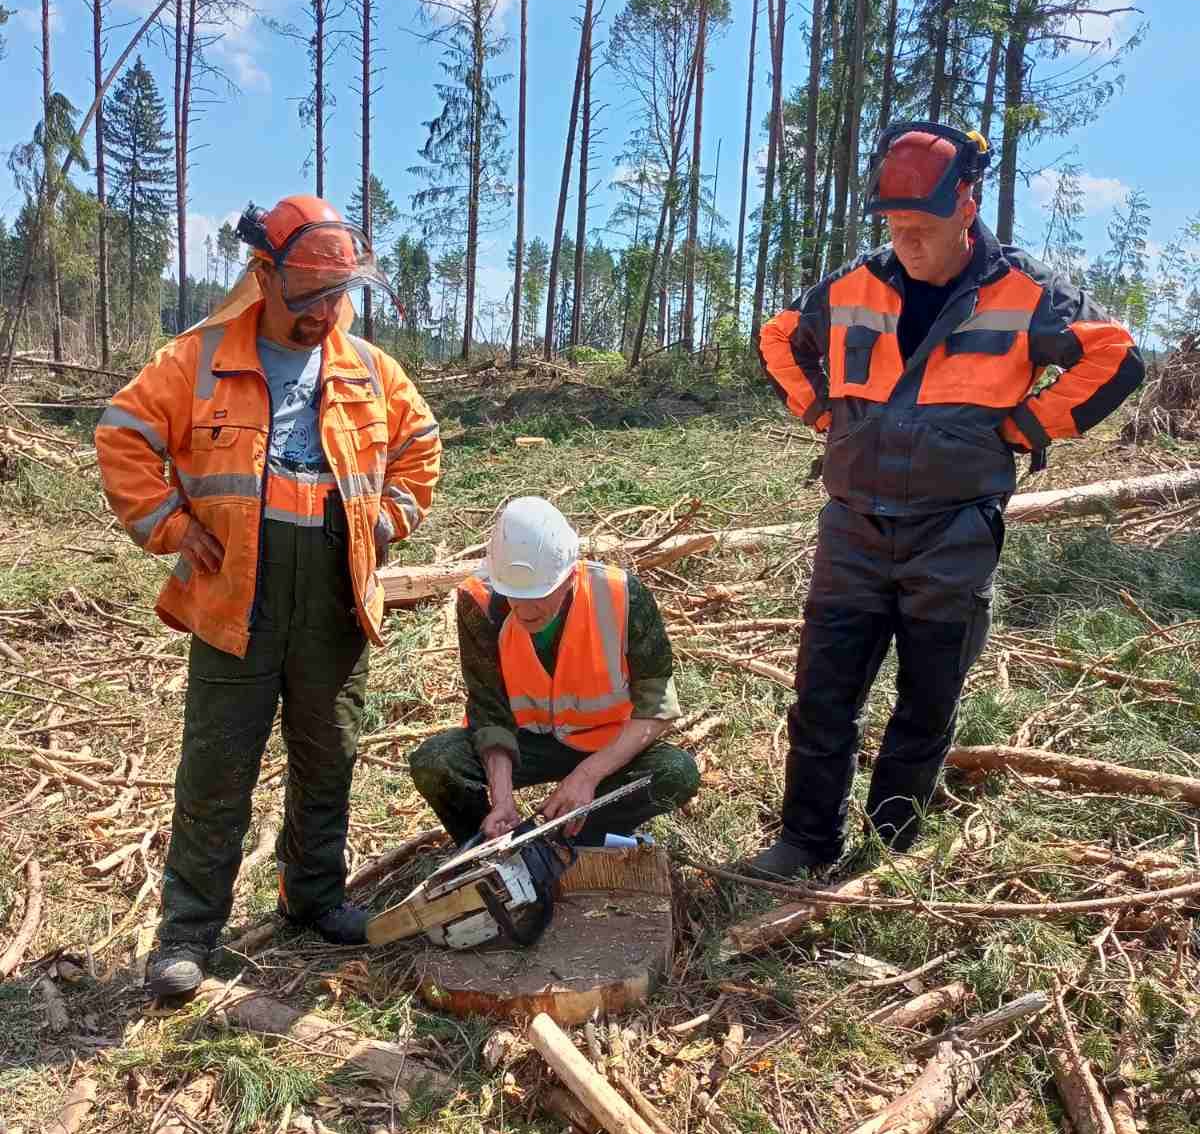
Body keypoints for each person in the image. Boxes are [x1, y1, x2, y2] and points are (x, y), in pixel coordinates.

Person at [753, 122, 1145, 879]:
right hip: (854, 528)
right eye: (895, 229)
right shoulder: (851, 288)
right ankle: (806, 841)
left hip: (955, 534)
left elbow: (1115, 355)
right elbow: (776, 338)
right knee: (823, 698)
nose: (907, 244)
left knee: (926, 703)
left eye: (921, 229)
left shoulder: (1024, 290)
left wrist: (1029, 424)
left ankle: (890, 845)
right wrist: (819, 411)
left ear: (965, 207)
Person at [95, 194, 441, 995]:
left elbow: (421, 446)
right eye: (311, 294)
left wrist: (387, 522)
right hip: (233, 590)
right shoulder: (199, 358)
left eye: (337, 295)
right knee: (218, 765)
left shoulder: (368, 369)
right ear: (264, 274)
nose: (326, 311)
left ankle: (313, 899)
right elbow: (122, 435)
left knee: (330, 755)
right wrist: (174, 529)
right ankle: (186, 934)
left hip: (334, 589)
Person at [410, 497, 700, 846]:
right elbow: (489, 711)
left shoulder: (622, 596)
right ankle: (492, 849)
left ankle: (578, 840)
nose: (524, 609)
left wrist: (588, 776)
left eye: (539, 594)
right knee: (436, 762)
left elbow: (656, 709)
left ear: (569, 575)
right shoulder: (481, 603)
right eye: (512, 595)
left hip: (604, 743)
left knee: (675, 772)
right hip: (525, 741)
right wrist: (501, 798)